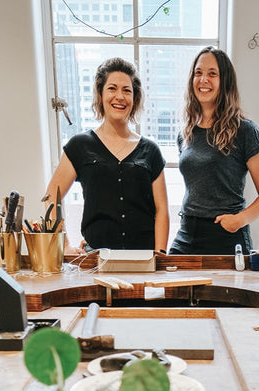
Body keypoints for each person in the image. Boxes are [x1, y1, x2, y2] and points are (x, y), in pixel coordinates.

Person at [45, 57, 169, 254]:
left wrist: (160, 255)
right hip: (95, 259)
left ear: (134, 98)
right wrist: (65, 245)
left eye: (127, 90)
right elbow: (51, 197)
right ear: (100, 94)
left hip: (143, 260)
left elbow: (162, 210)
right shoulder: (80, 145)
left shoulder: (151, 150)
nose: (119, 96)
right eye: (112, 88)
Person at [169, 46, 259, 255]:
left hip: (227, 236)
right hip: (188, 232)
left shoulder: (245, 130)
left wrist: (240, 220)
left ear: (224, 81)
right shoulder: (186, 133)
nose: (203, 80)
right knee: (172, 286)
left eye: (212, 74)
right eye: (198, 73)